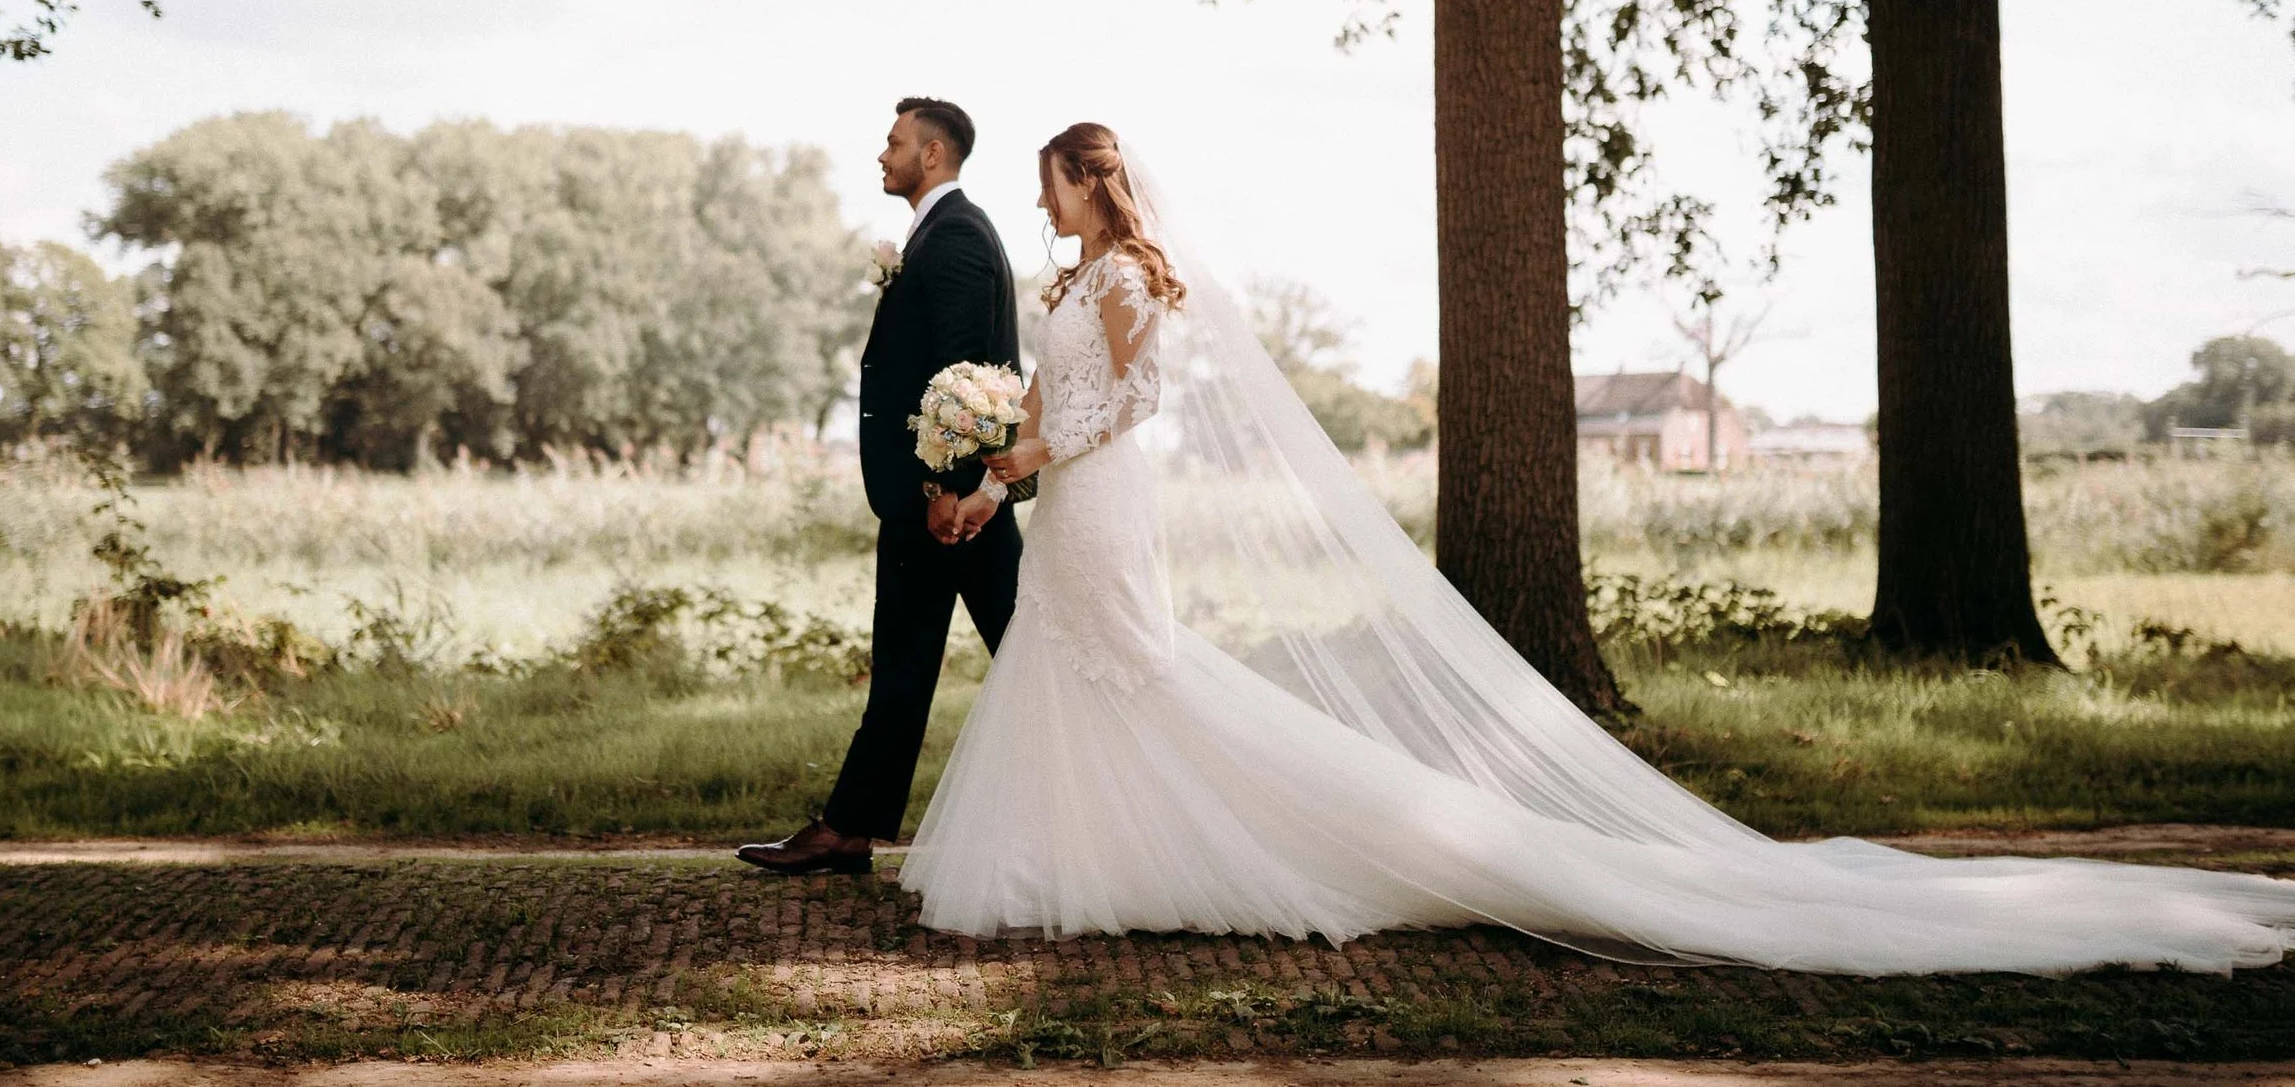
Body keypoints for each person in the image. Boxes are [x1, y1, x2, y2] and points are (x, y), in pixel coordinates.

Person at [896, 120, 2295, 976]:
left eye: (1055, 184)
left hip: (1105, 496)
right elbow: (1052, 398)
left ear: (1098, 179)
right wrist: (993, 472)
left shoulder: (1134, 277)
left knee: (1138, 669)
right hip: (1065, 501)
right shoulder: (1072, 277)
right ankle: (1092, 854)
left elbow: (1130, 402)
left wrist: (1023, 457)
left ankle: (1259, 839)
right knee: (1087, 674)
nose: (1046, 203)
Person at [737, 97, 1024, 877]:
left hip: (944, 506)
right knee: (932, 657)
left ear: (932, 154)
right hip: (937, 500)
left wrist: (943, 487)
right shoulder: (941, 231)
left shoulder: (957, 236)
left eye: (894, 141)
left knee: (1022, 653)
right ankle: (849, 826)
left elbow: (965, 377)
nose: (881, 153)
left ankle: (849, 827)